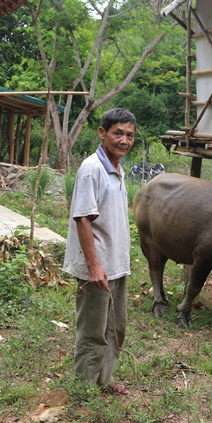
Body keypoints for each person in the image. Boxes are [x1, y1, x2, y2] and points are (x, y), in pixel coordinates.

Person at [63, 108, 136, 396]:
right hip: (98, 268)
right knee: (93, 331)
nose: (124, 140)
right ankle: (84, 389)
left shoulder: (118, 169)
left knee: (116, 328)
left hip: (116, 266)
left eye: (129, 135)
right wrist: (94, 267)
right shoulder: (91, 169)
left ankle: (104, 380)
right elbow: (83, 218)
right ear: (102, 132)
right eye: (118, 133)